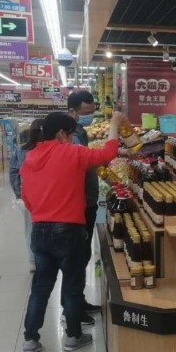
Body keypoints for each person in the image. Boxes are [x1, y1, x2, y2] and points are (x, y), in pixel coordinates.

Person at [20, 111, 123, 352]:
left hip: (40, 229)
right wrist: (115, 124)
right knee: (72, 284)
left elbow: (26, 198)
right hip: (69, 229)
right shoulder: (72, 153)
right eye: (70, 133)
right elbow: (108, 153)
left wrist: (43, 213)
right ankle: (73, 336)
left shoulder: (30, 157)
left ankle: (30, 339)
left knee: (41, 287)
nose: (72, 137)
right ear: (61, 134)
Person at [67, 90, 100, 324]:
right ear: (73, 111)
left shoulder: (79, 132)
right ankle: (72, 312)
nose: (90, 116)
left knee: (81, 257)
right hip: (80, 205)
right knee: (77, 259)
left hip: (87, 201)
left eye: (92, 111)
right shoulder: (72, 137)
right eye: (86, 112)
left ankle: (78, 303)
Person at [9, 119, 44, 272]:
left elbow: (13, 172)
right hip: (48, 194)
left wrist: (18, 192)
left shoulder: (21, 150)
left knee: (30, 227)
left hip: (28, 195)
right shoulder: (50, 149)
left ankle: (33, 260)